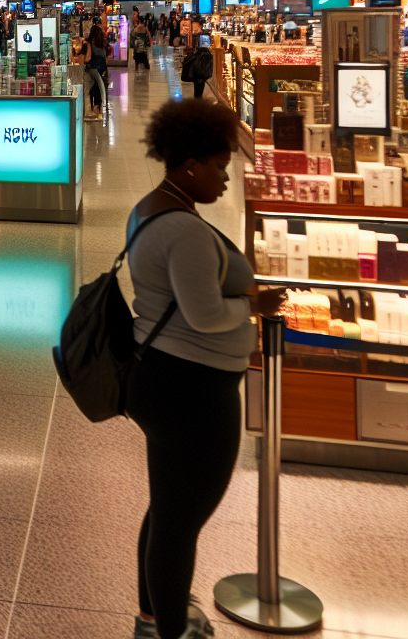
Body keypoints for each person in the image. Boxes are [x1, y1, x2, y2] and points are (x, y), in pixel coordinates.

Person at [125, 100, 285, 639]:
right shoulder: (185, 231)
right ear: (190, 164)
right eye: (219, 167)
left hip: (162, 375)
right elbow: (206, 314)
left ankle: (154, 612)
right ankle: (169, 629)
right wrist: (256, 308)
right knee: (181, 519)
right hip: (190, 388)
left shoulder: (152, 207)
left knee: (168, 505)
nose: (225, 178)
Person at [84, 23, 110, 119]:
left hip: (92, 70)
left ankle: (93, 108)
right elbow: (105, 59)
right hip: (102, 69)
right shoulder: (103, 45)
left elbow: (88, 58)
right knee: (100, 88)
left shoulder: (89, 44)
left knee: (91, 89)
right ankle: (99, 108)